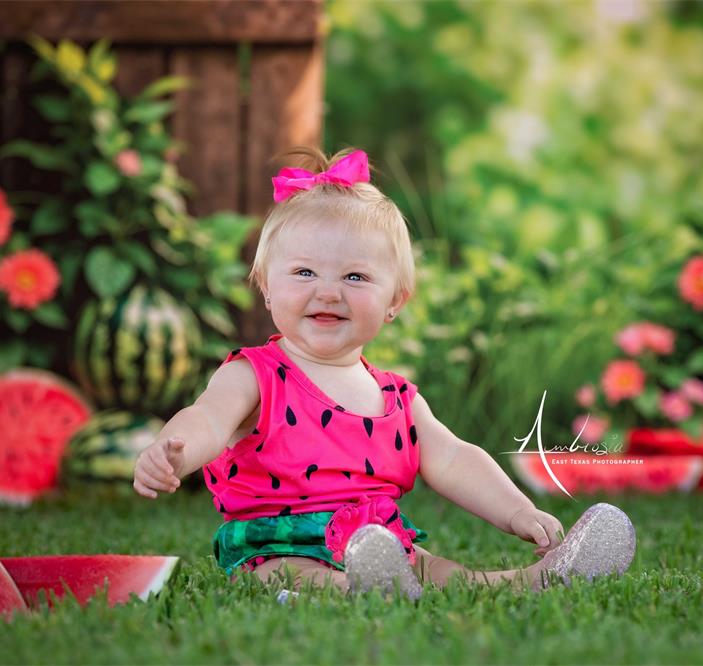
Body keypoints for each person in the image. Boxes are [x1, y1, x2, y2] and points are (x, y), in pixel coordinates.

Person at [133, 147, 636, 598]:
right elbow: (208, 421)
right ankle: (360, 588)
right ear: (266, 286)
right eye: (304, 273)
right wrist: (172, 452)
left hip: (384, 547)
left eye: (354, 276)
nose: (328, 291)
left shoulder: (397, 397)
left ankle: (536, 578)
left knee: (440, 573)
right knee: (293, 574)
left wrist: (518, 511)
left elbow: (456, 460)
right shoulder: (255, 375)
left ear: (394, 300)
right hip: (278, 547)